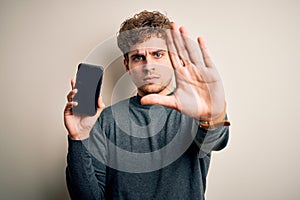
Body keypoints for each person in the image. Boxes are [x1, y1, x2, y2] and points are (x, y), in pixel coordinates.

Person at [64, 10, 230, 200]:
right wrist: (78, 137)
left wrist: (211, 116)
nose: (148, 65)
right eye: (138, 57)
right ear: (127, 65)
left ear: (173, 59)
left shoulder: (196, 110)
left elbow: (218, 140)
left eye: (158, 54)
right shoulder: (104, 120)